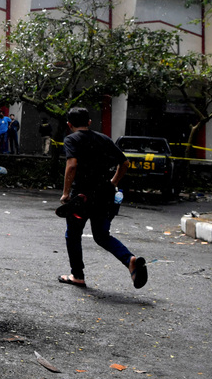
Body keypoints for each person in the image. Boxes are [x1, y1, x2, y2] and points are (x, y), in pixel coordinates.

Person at [58, 107, 147, 290]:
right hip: (105, 194)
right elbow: (124, 163)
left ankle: (77, 275)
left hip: (82, 196)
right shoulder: (104, 139)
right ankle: (129, 260)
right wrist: (113, 182)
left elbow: (72, 165)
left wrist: (66, 193)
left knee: (73, 234)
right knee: (102, 236)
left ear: (69, 124)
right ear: (89, 122)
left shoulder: (71, 139)